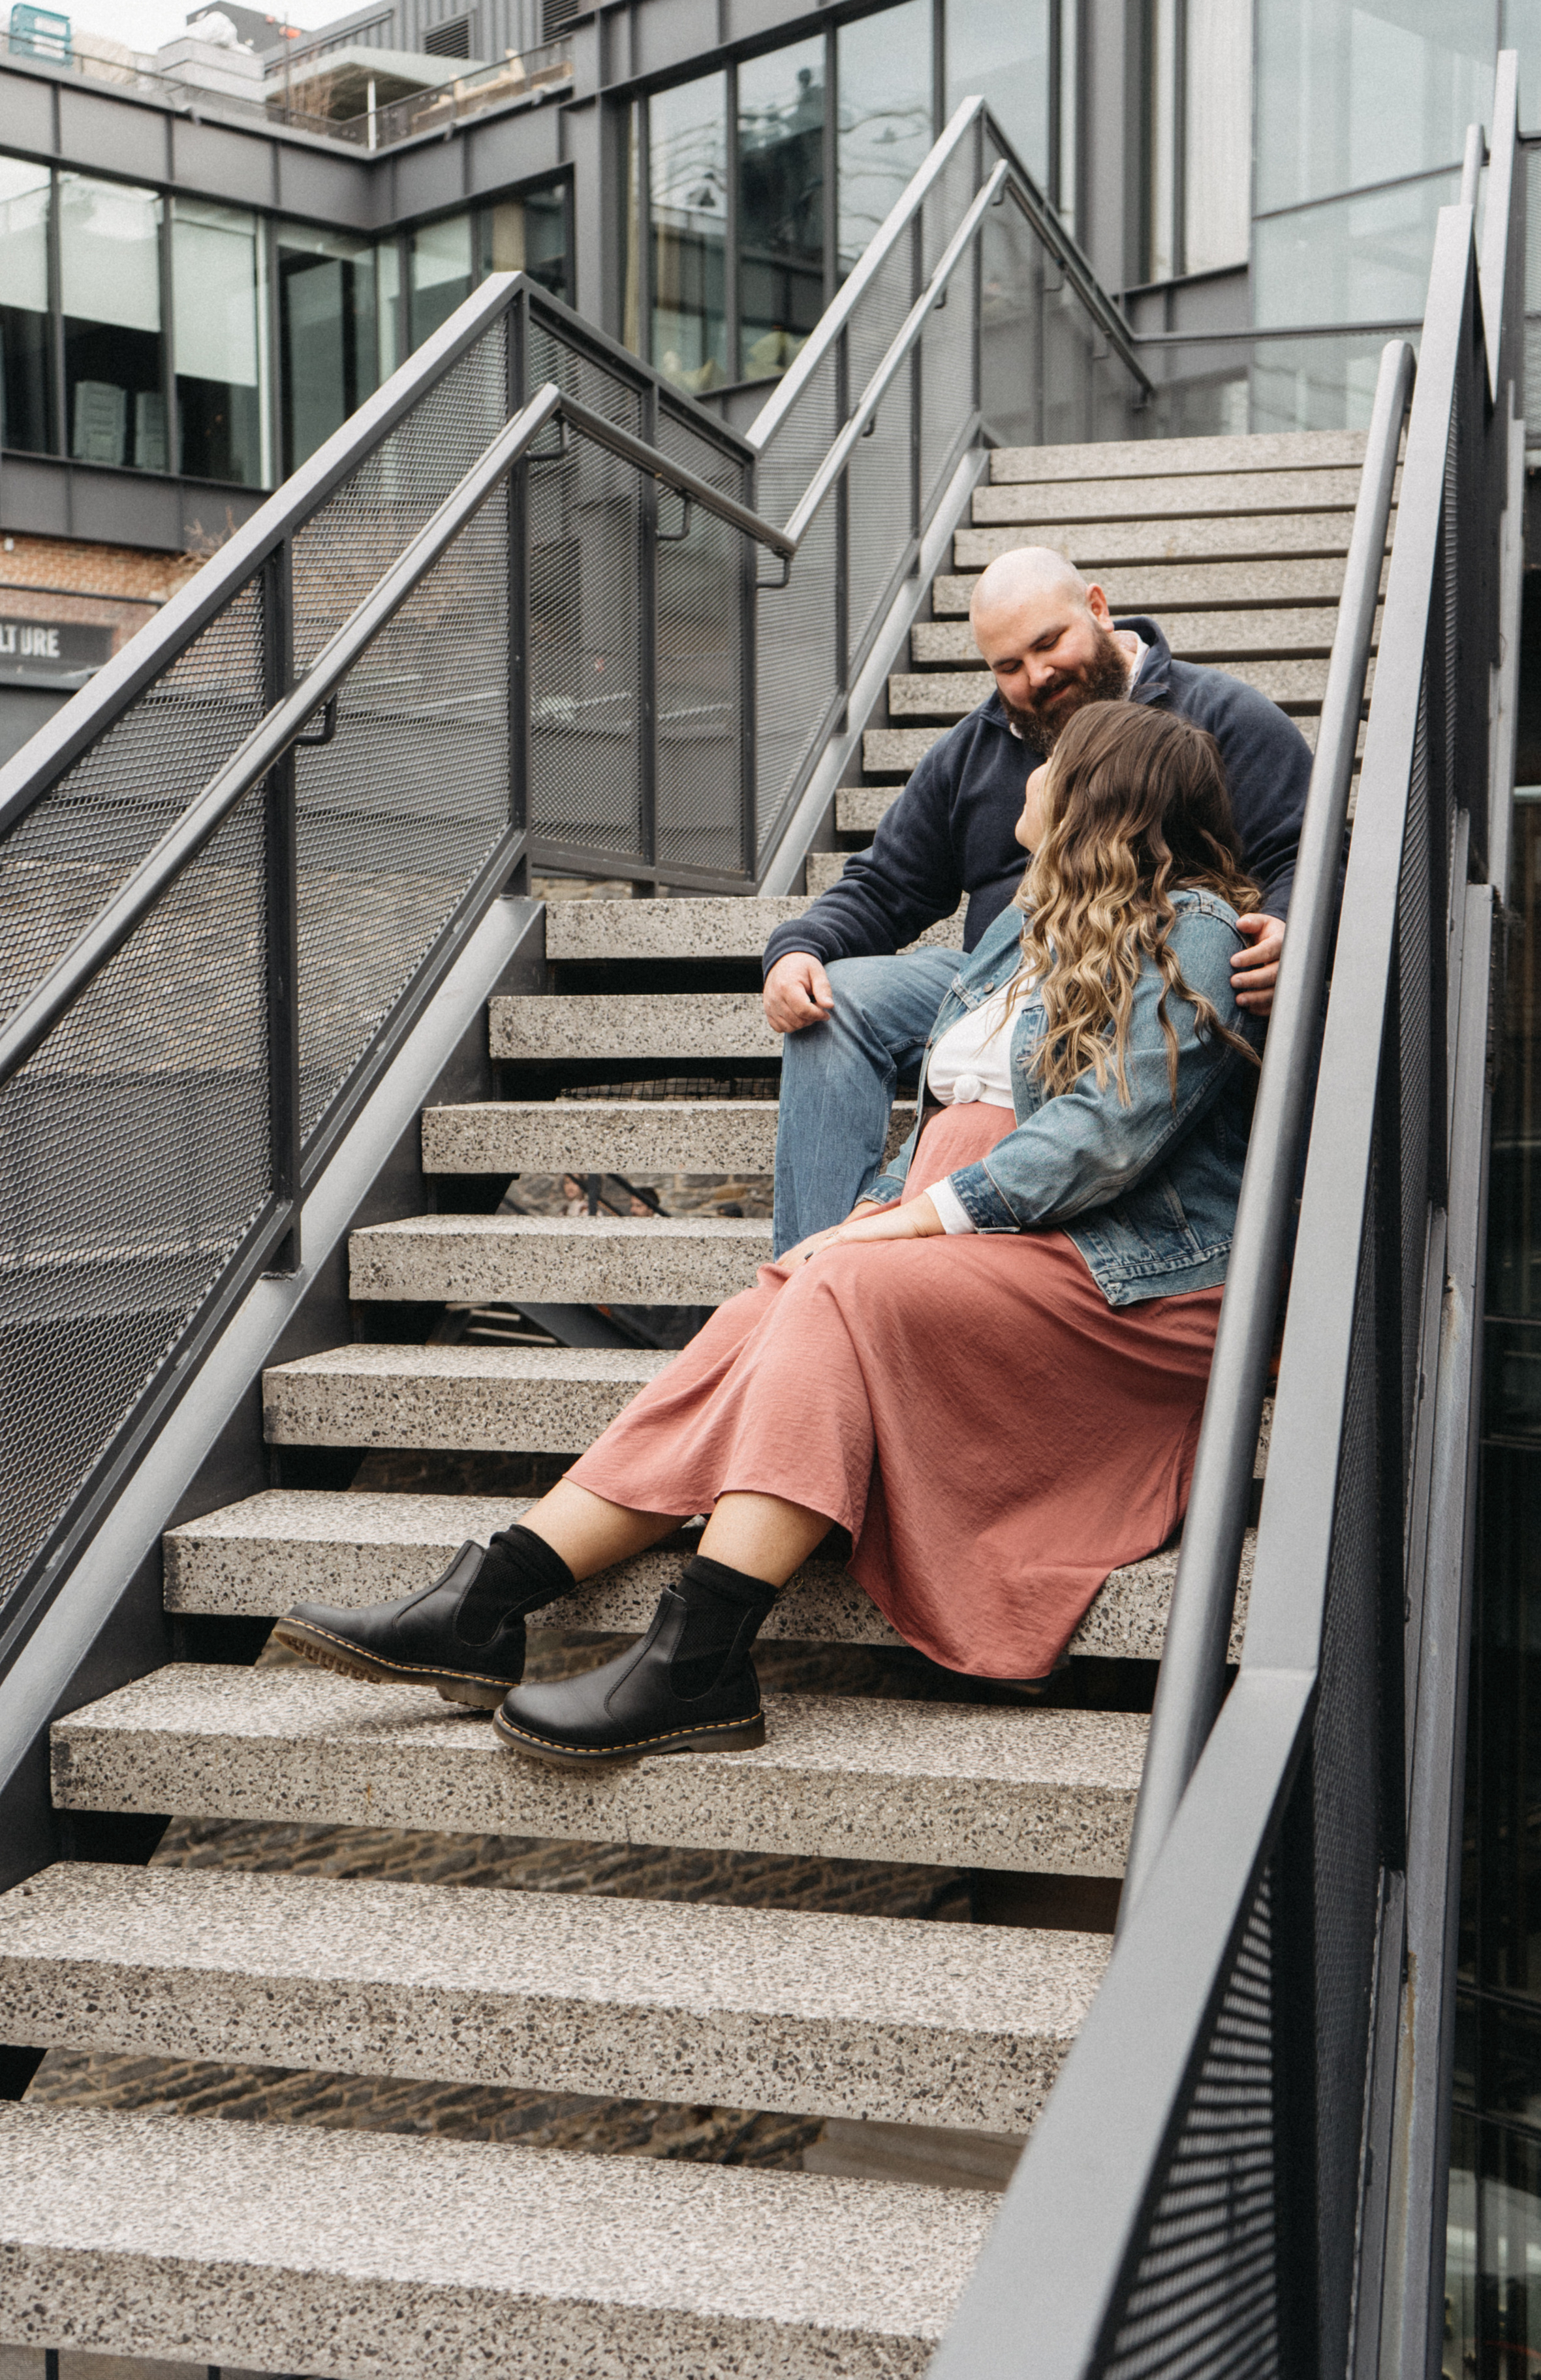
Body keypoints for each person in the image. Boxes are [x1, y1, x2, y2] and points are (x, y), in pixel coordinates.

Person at [275, 703, 1259, 1769]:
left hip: (1120, 1285)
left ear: (1096, 799)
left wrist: (900, 1230)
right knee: (772, 1299)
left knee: (839, 1290)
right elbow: (936, 1128)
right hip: (972, 1236)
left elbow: (1105, 1132)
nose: (1024, 782)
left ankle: (702, 1654)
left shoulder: (1190, 923)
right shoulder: (1016, 932)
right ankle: (487, 1604)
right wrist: (883, 1215)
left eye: (1050, 768)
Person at [761, 546, 1313, 1253]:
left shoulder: (1220, 717)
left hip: (1136, 985)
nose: (1037, 677)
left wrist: (1289, 929)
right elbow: (884, 885)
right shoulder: (976, 751)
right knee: (834, 1001)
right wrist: (798, 948)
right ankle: (809, 1265)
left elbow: (1299, 855)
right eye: (1007, 666)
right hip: (997, 984)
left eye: (1049, 644)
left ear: (1097, 607)